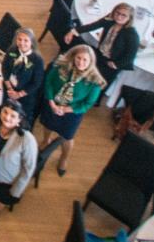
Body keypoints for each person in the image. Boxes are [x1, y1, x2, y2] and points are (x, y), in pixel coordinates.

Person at [38, 44, 106, 175]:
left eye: (85, 60)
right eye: (78, 58)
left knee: (67, 137)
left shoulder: (94, 81)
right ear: (73, 57)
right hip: (53, 104)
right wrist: (52, 102)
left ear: (91, 62)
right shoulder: (62, 66)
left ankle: (64, 158)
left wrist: (66, 109)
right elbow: (49, 83)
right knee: (47, 124)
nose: (81, 62)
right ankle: (46, 140)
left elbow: (87, 104)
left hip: (72, 112)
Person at [68, 1, 140, 94]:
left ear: (129, 18)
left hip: (112, 61)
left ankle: (95, 99)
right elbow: (93, 26)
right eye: (117, 13)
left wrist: (116, 64)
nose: (119, 17)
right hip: (100, 53)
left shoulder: (132, 34)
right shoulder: (109, 20)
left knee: (99, 83)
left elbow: (130, 56)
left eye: (123, 15)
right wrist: (74, 31)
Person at [1, 28, 45, 128]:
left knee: (22, 118)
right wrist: (9, 88)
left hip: (26, 94)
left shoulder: (37, 60)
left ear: (32, 42)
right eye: (19, 39)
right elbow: (5, 68)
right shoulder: (12, 51)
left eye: (26, 40)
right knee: (5, 111)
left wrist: (19, 94)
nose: (22, 43)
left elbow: (36, 82)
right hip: (9, 88)